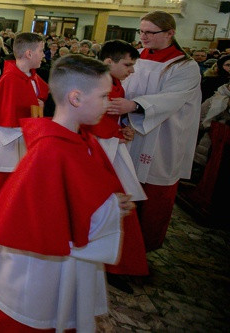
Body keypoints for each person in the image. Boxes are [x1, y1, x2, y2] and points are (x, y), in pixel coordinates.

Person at [0, 55, 133, 332]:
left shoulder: (78, 139)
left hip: (62, 260)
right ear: (76, 98)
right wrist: (111, 208)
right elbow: (47, 221)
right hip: (36, 268)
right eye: (104, 96)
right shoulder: (50, 150)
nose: (109, 104)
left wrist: (109, 203)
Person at [107, 11, 201, 252]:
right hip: (128, 131)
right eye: (141, 31)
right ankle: (119, 247)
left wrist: (134, 106)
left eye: (150, 32)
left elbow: (172, 98)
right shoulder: (135, 58)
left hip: (163, 137)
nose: (143, 37)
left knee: (154, 194)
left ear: (170, 33)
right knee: (124, 185)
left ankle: (145, 248)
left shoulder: (184, 66)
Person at [82, 40, 149, 290]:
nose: (131, 70)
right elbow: (89, 118)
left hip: (110, 146)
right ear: (109, 62)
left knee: (119, 204)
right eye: (127, 64)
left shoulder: (116, 83)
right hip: (97, 149)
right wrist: (116, 131)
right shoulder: (92, 82)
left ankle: (117, 262)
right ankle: (106, 262)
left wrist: (122, 129)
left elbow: (110, 117)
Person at [0, 32, 48, 245]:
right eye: (41, 51)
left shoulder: (30, 77)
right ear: (28, 53)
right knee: (0, 193)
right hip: (4, 146)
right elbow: (1, 118)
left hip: (20, 143)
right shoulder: (10, 79)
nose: (43, 55)